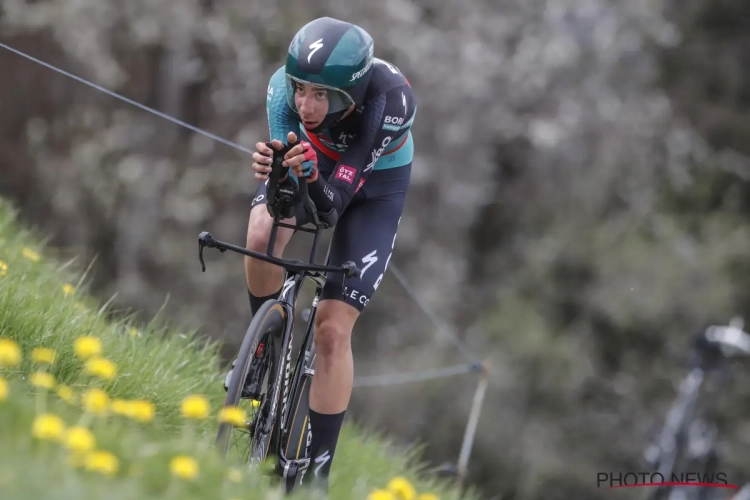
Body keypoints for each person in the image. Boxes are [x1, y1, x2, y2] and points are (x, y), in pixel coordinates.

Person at [225, 16, 416, 492]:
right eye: (300, 90)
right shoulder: (280, 92)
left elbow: (331, 210)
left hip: (373, 189)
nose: (306, 106)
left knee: (332, 328)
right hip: (314, 162)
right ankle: (264, 348)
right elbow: (284, 196)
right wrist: (277, 174)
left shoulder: (389, 101)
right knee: (261, 230)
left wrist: (311, 180)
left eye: (320, 95)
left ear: (348, 94)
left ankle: (316, 475)